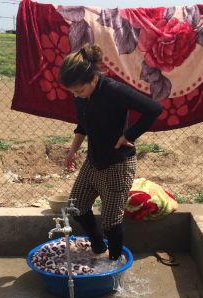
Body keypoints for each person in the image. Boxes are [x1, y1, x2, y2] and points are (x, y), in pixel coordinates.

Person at [57, 44, 162, 260]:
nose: (77, 96)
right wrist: (72, 151)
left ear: (94, 78)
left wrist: (129, 135)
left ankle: (114, 266)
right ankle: (97, 246)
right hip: (93, 161)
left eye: (80, 90)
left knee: (111, 222)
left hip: (117, 164)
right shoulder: (82, 96)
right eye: (73, 92)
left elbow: (153, 109)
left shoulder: (113, 90)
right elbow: (83, 125)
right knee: (76, 207)